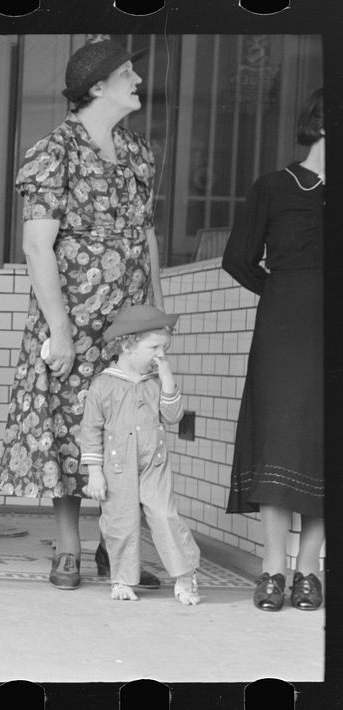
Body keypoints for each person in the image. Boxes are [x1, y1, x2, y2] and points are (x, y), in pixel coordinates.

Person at [0, 38, 165, 590]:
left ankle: (118, 547)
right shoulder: (55, 150)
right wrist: (61, 330)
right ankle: (68, 548)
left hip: (128, 319)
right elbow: (37, 246)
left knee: (130, 426)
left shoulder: (139, 151)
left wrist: (155, 315)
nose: (137, 80)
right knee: (69, 425)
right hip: (73, 312)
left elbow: (145, 236)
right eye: (127, 73)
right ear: (96, 87)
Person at [223, 88, 324, 612]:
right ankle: (272, 572)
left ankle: (309, 572)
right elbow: (238, 259)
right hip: (285, 329)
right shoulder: (274, 187)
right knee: (279, 442)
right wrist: (286, 293)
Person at [79, 305, 201, 605]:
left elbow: (172, 416)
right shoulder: (103, 385)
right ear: (127, 345)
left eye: (164, 349)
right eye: (154, 347)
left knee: (164, 514)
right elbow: (90, 431)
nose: (160, 355)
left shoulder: (155, 382)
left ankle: (185, 575)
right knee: (120, 520)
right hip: (117, 466)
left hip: (153, 463)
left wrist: (168, 375)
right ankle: (121, 579)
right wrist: (95, 472)